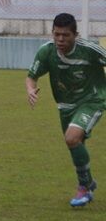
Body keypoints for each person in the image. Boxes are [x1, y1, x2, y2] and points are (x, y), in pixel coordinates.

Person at [26, 12, 106, 207]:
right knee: (75, 144)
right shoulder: (46, 51)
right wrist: (30, 90)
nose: (60, 39)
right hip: (65, 105)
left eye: (65, 35)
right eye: (57, 34)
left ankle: (83, 188)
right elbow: (31, 76)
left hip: (93, 99)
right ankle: (88, 183)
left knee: (71, 138)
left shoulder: (89, 50)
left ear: (75, 35)